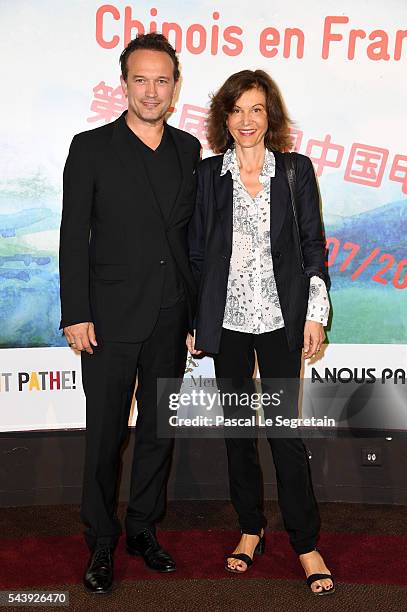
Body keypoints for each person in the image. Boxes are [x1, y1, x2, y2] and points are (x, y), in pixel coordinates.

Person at [59, 33, 201, 594]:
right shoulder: (91, 146)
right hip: (109, 318)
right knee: (105, 436)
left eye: (161, 80)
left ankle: (143, 529)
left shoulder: (189, 150)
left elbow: (191, 241)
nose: (150, 90)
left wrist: (194, 317)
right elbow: (74, 236)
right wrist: (76, 311)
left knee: (159, 433)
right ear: (124, 85)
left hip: (170, 315)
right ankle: (100, 540)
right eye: (140, 79)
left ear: (175, 87)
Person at [187, 70, 335, 595]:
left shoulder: (294, 171)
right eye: (236, 110)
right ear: (223, 118)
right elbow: (198, 255)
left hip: (279, 321)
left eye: (256, 109)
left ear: (268, 115)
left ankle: (305, 542)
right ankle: (250, 528)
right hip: (227, 324)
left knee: (284, 433)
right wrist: (194, 322)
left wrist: (315, 312)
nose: (246, 121)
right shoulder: (208, 176)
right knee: (236, 434)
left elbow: (312, 246)